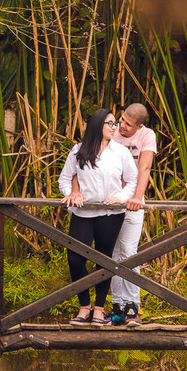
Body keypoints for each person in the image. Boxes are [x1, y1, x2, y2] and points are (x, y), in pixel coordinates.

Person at [58, 108, 138, 324]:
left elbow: (132, 180)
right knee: (75, 258)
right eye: (110, 123)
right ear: (97, 125)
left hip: (111, 214)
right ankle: (84, 306)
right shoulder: (78, 150)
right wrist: (72, 194)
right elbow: (64, 179)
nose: (115, 127)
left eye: (115, 123)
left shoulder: (120, 152)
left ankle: (99, 309)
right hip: (83, 213)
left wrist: (120, 197)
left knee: (104, 260)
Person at [109, 103, 156, 326]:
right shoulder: (112, 131)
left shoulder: (147, 136)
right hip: (108, 200)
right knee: (113, 253)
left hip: (132, 200)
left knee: (129, 251)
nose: (121, 125)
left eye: (128, 123)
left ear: (139, 126)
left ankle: (132, 307)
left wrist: (137, 198)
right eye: (121, 119)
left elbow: (144, 167)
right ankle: (117, 307)